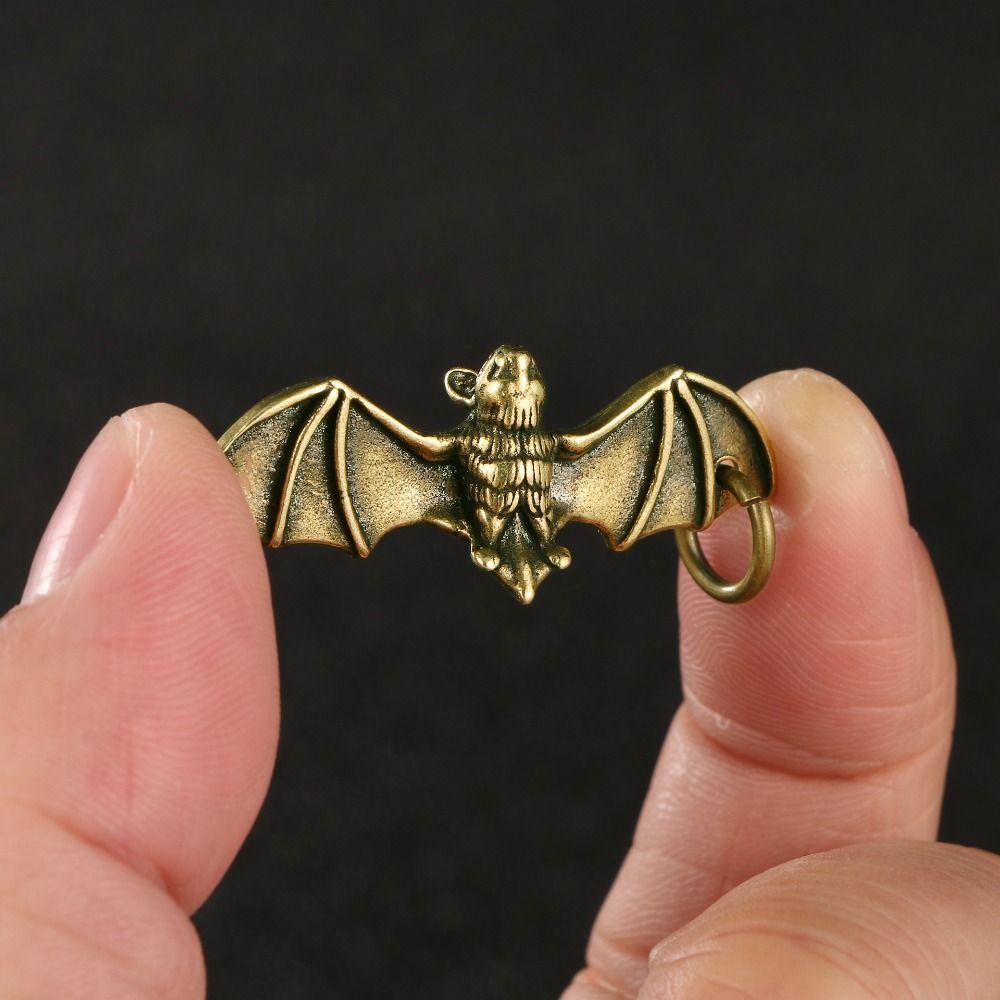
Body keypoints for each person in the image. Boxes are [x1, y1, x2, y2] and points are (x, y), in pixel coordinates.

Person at [2, 369, 996, 999]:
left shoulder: (625, 441)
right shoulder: (388, 450)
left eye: (524, 384)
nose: (516, 390)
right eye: (502, 386)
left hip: (547, 523)